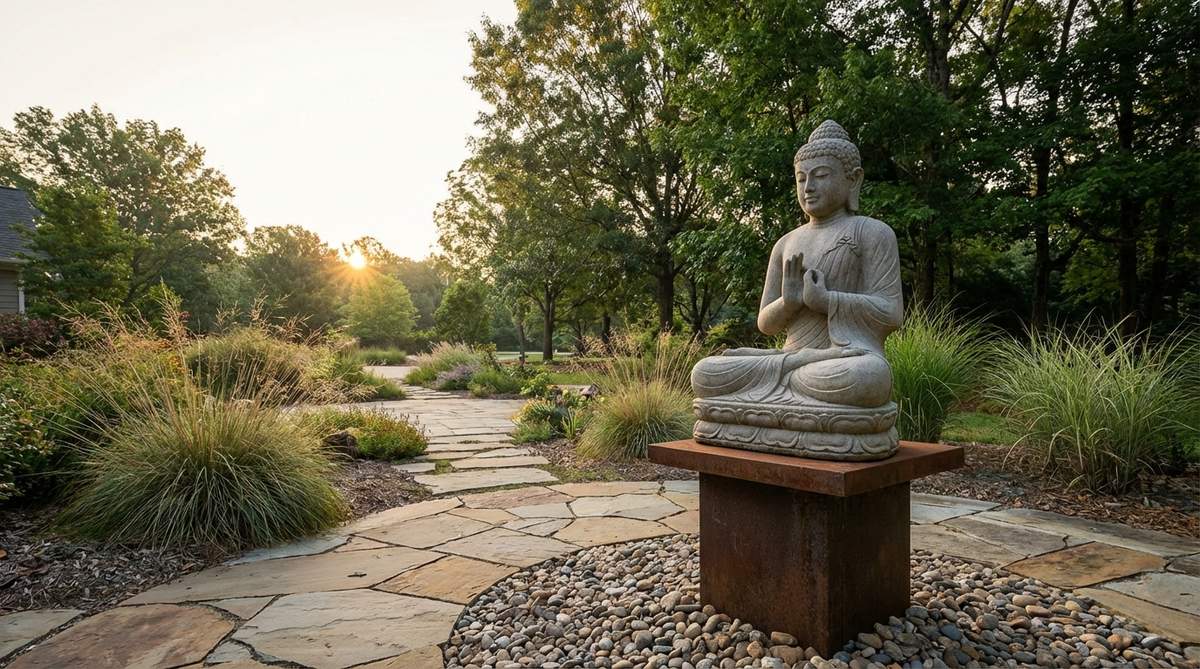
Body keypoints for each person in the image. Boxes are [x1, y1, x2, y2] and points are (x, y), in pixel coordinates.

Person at [689, 120, 903, 460]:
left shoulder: (872, 233)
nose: (809, 187)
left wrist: (826, 301)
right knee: (706, 373)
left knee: (868, 379)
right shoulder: (786, 243)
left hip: (845, 361)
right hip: (792, 361)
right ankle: (795, 384)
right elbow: (766, 323)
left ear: (853, 179)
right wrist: (789, 303)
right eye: (801, 178)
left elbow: (891, 313)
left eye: (820, 175)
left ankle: (783, 394)